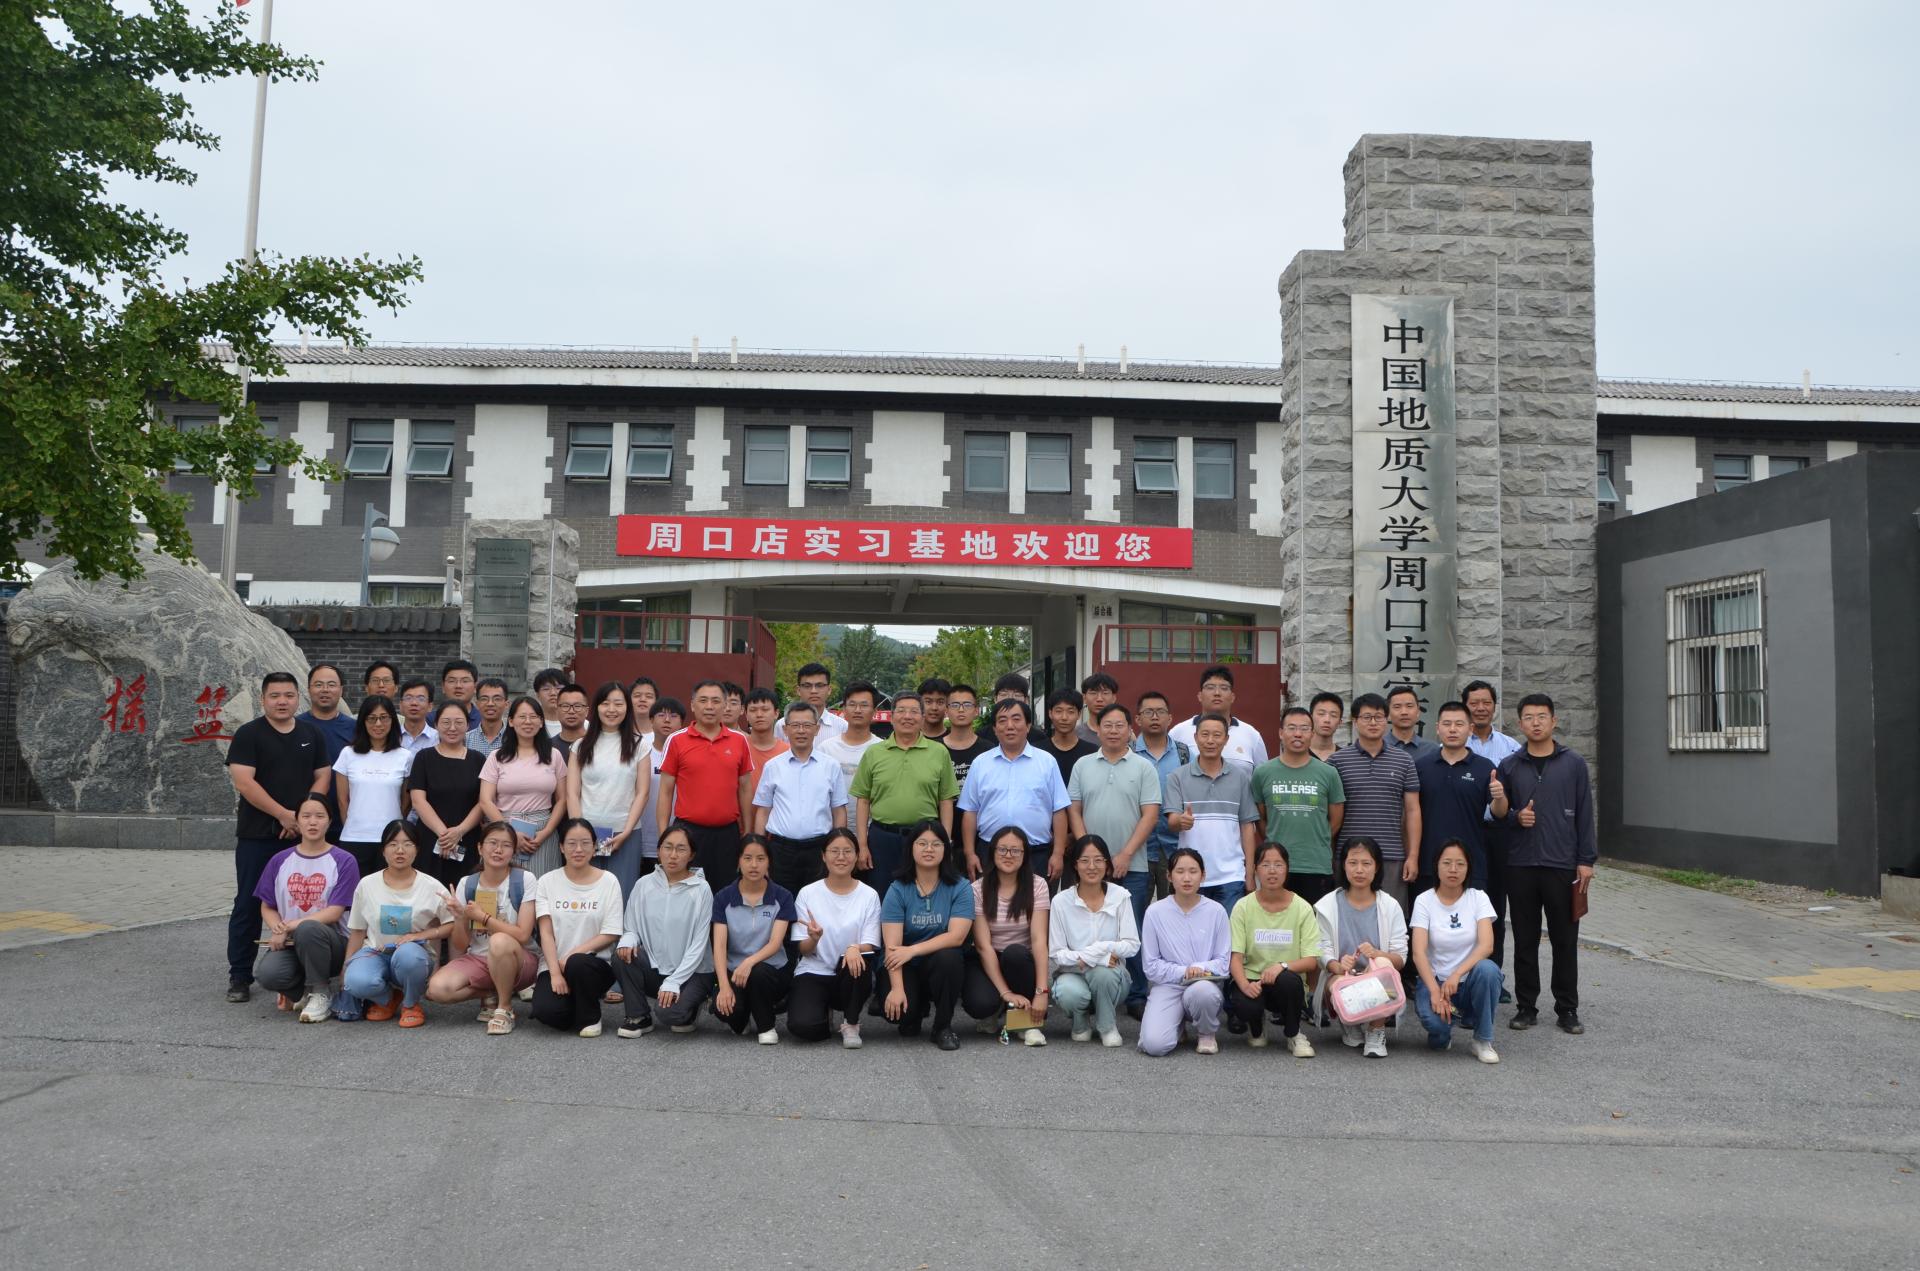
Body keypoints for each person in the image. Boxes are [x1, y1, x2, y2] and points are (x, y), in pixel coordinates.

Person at [223, 671, 330, 1002]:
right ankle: (240, 975)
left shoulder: (311, 733)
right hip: (258, 836)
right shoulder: (249, 734)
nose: (282, 701)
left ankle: (303, 970)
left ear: (298, 698)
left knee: (306, 900)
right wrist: (283, 814)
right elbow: (244, 782)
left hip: (302, 837)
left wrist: (302, 816)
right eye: (275, 695)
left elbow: (323, 775)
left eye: (288, 695)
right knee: (249, 902)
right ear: (263, 699)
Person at [1496, 693, 1595, 1035]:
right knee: (1524, 939)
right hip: (1521, 864)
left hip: (1562, 864)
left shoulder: (1574, 763)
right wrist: (1515, 816)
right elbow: (1500, 815)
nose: (1535, 723)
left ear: (1554, 721)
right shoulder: (1510, 765)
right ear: (1519, 723)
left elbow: (1585, 814)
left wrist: (1586, 860)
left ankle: (1567, 1008)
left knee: (1564, 940)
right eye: (1528, 717)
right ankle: (1526, 1006)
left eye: (1542, 716)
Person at [1067, 704, 1159, 1005]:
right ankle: (1092, 991)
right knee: (1090, 928)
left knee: (1132, 929)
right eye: (1107, 725)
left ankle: (1137, 996)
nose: (1113, 731)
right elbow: (1074, 810)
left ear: (1130, 730)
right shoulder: (1082, 765)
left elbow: (1150, 814)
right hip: (1090, 867)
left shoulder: (1144, 767)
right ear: (1098, 730)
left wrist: (1125, 854)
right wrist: (1088, 855)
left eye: (1120, 725)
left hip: (1133, 864)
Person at [424, 821, 539, 1035]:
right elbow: (460, 945)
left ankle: (504, 1008)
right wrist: (460, 918)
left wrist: (483, 918)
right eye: (492, 843)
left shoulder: (524, 879)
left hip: (519, 958)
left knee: (499, 941)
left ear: (514, 851)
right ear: (479, 848)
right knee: (436, 990)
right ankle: (489, 992)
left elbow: (523, 935)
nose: (498, 850)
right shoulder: (467, 883)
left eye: (506, 845)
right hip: (479, 958)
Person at [252, 795, 358, 1023]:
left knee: (309, 928)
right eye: (306, 816)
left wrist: (289, 926)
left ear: (329, 822)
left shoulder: (344, 860)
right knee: (268, 975)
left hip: (333, 943)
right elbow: (267, 906)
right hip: (291, 942)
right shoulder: (279, 860)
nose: (312, 822)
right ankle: (302, 992)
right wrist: (277, 928)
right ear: (297, 821)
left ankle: (320, 992)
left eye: (320, 816)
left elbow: (335, 912)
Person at [342, 820, 454, 1028]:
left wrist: (421, 936)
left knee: (409, 955)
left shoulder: (431, 886)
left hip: (414, 955)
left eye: (407, 844)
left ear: (417, 850)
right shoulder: (367, 884)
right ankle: (389, 998)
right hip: (376, 952)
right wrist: (345, 971)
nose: (400, 850)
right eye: (393, 844)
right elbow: (358, 931)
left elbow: (451, 924)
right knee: (355, 981)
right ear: (383, 850)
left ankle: (411, 1004)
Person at [614, 821, 717, 1037]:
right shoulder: (644, 884)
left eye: (681, 849)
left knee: (671, 1015)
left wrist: (675, 980)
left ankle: (691, 1006)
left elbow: (699, 944)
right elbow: (631, 927)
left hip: (694, 973)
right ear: (659, 850)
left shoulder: (701, 889)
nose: (673, 855)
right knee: (622, 954)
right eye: (667, 847)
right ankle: (638, 1016)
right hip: (656, 967)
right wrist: (628, 939)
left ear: (691, 855)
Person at [851, 692, 958, 898]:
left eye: (914, 711)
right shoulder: (874, 752)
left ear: (923, 717)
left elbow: (946, 801)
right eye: (901, 711)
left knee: (922, 896)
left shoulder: (939, 752)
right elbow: (863, 800)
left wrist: (944, 842)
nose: (907, 716)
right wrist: (862, 845)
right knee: (882, 895)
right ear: (891, 717)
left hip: (924, 838)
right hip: (882, 839)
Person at [880, 820, 974, 1050]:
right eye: (922, 843)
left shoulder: (960, 887)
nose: (929, 849)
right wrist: (897, 989)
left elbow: (956, 937)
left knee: (949, 957)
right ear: (911, 848)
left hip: (937, 962)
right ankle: (916, 1007)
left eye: (936, 844)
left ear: (946, 850)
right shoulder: (897, 888)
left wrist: (912, 950)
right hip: (905, 965)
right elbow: (892, 947)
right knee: (902, 1016)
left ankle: (942, 1027)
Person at [1316, 836, 1409, 1058]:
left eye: (1366, 863)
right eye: (1353, 863)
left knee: (1384, 963)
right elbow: (1321, 950)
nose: (1359, 870)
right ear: (1343, 866)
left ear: (1377, 867)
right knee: (1338, 980)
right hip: (1343, 978)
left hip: (1375, 977)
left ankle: (1376, 1030)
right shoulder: (1327, 905)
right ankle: (1351, 1023)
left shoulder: (1390, 905)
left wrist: (1377, 954)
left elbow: (1401, 957)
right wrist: (1338, 966)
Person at [788, 829, 882, 1048]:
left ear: (857, 855)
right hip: (814, 970)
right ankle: (823, 1013)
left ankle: (851, 1023)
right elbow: (803, 949)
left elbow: (871, 943)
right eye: (834, 851)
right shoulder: (808, 893)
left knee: (858, 961)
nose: (841, 857)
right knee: (803, 1027)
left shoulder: (869, 895)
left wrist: (854, 947)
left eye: (847, 851)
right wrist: (814, 939)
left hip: (850, 971)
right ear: (823, 856)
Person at [957, 699, 1070, 881]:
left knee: (1036, 899)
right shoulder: (980, 763)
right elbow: (970, 811)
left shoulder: (1047, 762)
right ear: (994, 729)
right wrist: (970, 853)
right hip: (990, 851)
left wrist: (1058, 853)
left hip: (1036, 853)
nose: (1010, 726)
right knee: (988, 899)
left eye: (1016, 719)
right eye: (1002, 720)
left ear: (1028, 726)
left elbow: (1059, 810)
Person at [1410, 840, 1502, 1063]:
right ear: (1436, 866)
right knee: (1436, 1031)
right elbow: (1418, 953)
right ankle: (1442, 1033)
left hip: (1468, 981)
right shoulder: (1424, 900)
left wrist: (1457, 974)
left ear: (1468, 868)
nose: (1453, 869)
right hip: (1436, 981)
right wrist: (1434, 990)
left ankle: (1482, 1040)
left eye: (1460, 864)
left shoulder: (1478, 898)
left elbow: (1486, 946)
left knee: (1489, 970)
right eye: (1447, 863)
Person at [531, 818, 624, 1037]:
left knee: (578, 963)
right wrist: (555, 973)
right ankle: (576, 1002)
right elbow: (545, 933)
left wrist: (572, 955)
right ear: (561, 847)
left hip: (593, 965)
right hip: (555, 965)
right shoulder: (546, 881)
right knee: (548, 1012)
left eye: (585, 843)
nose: (578, 849)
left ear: (595, 846)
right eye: (571, 843)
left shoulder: (609, 881)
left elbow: (611, 933)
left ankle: (590, 1017)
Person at [1328, 693, 1422, 910]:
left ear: (1386, 720)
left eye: (1378, 717)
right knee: (1347, 917)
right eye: (1366, 717)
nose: (1373, 723)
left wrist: (1413, 856)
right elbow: (1329, 813)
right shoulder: (1337, 762)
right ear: (1355, 721)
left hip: (1391, 856)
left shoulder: (1404, 760)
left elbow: (1413, 810)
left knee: (1391, 917)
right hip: (1349, 856)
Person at [1227, 843, 1322, 1055]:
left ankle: (1294, 1034)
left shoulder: (1302, 908)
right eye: (1265, 865)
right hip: (1253, 978)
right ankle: (1257, 1026)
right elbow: (1235, 957)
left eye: (1278, 865)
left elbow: (1311, 961)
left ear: (1287, 869)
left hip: (1286, 979)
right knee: (1245, 1005)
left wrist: (1282, 966)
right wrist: (1244, 985)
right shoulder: (1243, 906)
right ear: (1255, 869)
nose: (1272, 871)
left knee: (1289, 982)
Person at [961, 826, 1052, 1045]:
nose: (1008, 855)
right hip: (989, 958)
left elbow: (1039, 941)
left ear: (1025, 855)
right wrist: (1005, 993)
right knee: (980, 1004)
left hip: (1021, 960)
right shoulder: (977, 889)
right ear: (992, 852)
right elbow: (983, 946)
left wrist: (1041, 991)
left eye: (1015, 850)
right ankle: (1000, 1006)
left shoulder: (1038, 885)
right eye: (1002, 849)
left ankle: (1025, 1022)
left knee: (1015, 954)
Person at [657, 679, 753, 884]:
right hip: (688, 832)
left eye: (716, 701)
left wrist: (748, 831)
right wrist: (664, 836)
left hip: (727, 833)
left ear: (725, 705)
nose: (709, 706)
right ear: (693, 705)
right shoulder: (676, 740)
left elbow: (745, 789)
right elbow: (665, 791)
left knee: (725, 890)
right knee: (685, 889)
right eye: (703, 700)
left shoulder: (739, 740)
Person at [1138, 848, 1231, 1056]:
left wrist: (1199, 968)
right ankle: (1176, 1024)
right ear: (1169, 876)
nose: (1187, 878)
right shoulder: (1155, 912)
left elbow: (1223, 962)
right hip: (1168, 986)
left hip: (1204, 984)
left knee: (1202, 992)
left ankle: (1206, 1032)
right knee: (1154, 1045)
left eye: (1193, 871)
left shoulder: (1216, 911)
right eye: (1180, 872)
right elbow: (1151, 966)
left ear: (1203, 875)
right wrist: (1184, 971)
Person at [1163, 713, 1260, 912]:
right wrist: (1181, 821)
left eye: (1217, 735)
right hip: (1190, 875)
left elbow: (1247, 827)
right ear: (1195, 737)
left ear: (1226, 739)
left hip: (1231, 876)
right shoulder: (1177, 777)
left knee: (1227, 930)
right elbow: (1171, 821)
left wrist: (1249, 874)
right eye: (1205, 734)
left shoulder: (1240, 778)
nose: (1210, 741)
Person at [1049, 834, 1140, 1047]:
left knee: (1103, 973)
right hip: (1073, 973)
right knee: (1069, 992)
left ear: (1107, 864)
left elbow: (1132, 944)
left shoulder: (1120, 896)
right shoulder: (1061, 901)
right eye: (1085, 860)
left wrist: (1101, 948)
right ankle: (1079, 1021)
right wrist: (1098, 957)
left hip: (1112, 976)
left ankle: (1107, 1026)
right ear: (1075, 865)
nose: (1092, 866)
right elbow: (1056, 953)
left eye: (1098, 860)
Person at [1129, 690, 1188, 1015]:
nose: (1154, 717)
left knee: (1175, 922)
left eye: (1160, 711)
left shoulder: (1184, 753)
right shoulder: (1126, 752)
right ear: (1137, 719)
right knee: (1135, 921)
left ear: (1170, 718)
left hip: (1175, 848)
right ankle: (1137, 993)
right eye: (1148, 711)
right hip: (1137, 847)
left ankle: (1175, 990)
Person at [1249, 706, 1346, 904]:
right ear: (1281, 733)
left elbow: (1336, 819)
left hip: (1316, 864)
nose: (1298, 734)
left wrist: (1317, 838)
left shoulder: (1328, 773)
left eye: (1304, 728)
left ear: (1312, 733)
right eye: (1291, 728)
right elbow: (1261, 818)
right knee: (1277, 919)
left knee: (1314, 920)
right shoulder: (1263, 772)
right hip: (1276, 865)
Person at [752, 702, 850, 895]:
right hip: (780, 849)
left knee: (817, 903)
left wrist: (837, 848)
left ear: (817, 729)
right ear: (785, 729)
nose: (801, 731)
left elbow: (839, 811)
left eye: (807, 725)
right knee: (782, 902)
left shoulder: (830, 766)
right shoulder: (773, 766)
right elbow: (763, 811)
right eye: (795, 725)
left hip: (819, 849)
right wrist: (760, 851)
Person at [1462, 679, 1521, 994]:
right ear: (1465, 706)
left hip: (1499, 833)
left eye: (1486, 702)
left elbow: (1521, 791)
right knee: (1459, 903)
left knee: (1494, 905)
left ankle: (1492, 977)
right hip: (1465, 831)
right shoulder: (1455, 743)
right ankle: (1459, 975)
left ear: (1494, 706)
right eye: (1474, 702)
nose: (1480, 708)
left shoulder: (1511, 748)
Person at [567, 681, 651, 900]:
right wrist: (579, 832)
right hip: (587, 835)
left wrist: (626, 831)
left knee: (621, 896)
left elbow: (642, 793)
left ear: (627, 708)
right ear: (596, 707)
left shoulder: (639, 745)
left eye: (618, 704)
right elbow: (572, 793)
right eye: (605, 703)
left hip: (626, 833)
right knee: (587, 897)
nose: (611, 709)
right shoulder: (580, 746)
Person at [709, 834, 796, 1043]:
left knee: (758, 973)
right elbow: (719, 946)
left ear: (769, 862)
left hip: (771, 970)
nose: (754, 865)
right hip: (735, 971)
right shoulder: (723, 898)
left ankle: (767, 1027)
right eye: (747, 858)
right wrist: (724, 986)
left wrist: (749, 962)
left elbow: (775, 943)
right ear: (738, 861)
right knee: (726, 1011)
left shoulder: (782, 896)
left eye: (760, 858)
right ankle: (744, 1015)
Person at [1414, 702, 1506, 898]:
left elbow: (1499, 812)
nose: (1453, 729)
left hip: (1471, 864)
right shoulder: (1421, 766)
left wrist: (1499, 797)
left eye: (1459, 724)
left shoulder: (1484, 767)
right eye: (1447, 724)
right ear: (1437, 728)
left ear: (1470, 729)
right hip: (1428, 863)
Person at [478, 696, 568, 875]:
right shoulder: (497, 757)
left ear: (541, 722)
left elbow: (562, 799)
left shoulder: (554, 755)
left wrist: (546, 831)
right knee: (501, 883)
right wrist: (510, 833)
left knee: (541, 884)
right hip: (504, 829)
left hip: (542, 831)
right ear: (511, 721)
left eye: (534, 717)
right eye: (522, 716)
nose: (528, 721)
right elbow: (485, 800)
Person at [408, 700, 489, 889]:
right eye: (446, 722)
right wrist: (444, 836)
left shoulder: (478, 759)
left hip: (467, 838)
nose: (452, 728)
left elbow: (483, 802)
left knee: (464, 892)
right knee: (429, 893)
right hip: (430, 837)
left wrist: (459, 831)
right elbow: (418, 801)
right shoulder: (424, 757)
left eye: (459, 722)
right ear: (436, 725)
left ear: (468, 726)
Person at [331, 694, 414, 879]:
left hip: (392, 839)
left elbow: (406, 801)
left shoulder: (405, 756)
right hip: (354, 837)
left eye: (384, 718)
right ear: (363, 721)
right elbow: (342, 800)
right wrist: (353, 825)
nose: (378, 724)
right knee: (355, 891)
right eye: (372, 718)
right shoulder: (348, 754)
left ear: (393, 721)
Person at [1168, 665, 1269, 770]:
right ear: (1200, 696)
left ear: (1232, 697)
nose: (1217, 693)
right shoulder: (1178, 733)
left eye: (1224, 688)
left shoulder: (1251, 735)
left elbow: (1263, 776)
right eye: (1210, 688)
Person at [636, 698, 684, 873]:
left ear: (682, 723)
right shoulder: (640, 752)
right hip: (641, 836)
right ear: (651, 720)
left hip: (678, 837)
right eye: (661, 715)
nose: (667, 720)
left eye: (673, 716)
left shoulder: (687, 755)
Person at [817, 680, 883, 787]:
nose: (858, 710)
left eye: (864, 705)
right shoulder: (826, 749)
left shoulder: (882, 750)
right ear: (844, 709)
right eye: (852, 704)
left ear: (874, 711)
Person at [938, 684, 995, 791]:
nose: (961, 709)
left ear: (976, 711)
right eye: (955, 705)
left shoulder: (989, 750)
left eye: (967, 704)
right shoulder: (935, 749)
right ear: (946, 711)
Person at [297, 662, 356, 763]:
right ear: (309, 690)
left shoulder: (355, 728)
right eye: (318, 685)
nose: (325, 690)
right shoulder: (295, 726)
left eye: (331, 685)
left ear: (341, 690)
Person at [1039, 687, 1098, 787]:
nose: (1064, 717)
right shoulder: (1038, 751)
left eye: (1070, 712)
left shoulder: (1092, 752)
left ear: (1079, 714)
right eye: (1059, 711)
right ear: (1050, 713)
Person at [776, 661, 847, 741]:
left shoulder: (842, 727)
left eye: (819, 685)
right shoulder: (782, 725)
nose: (813, 691)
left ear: (829, 690)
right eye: (807, 686)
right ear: (798, 690)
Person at [742, 687, 788, 795]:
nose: (759, 714)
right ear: (746, 715)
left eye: (765, 709)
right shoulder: (738, 747)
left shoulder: (788, 752)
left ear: (776, 713)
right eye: (753, 710)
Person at [1386, 685, 1439, 761]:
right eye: (1397, 707)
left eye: (1409, 706)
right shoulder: (1376, 748)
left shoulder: (1433, 750)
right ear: (1388, 713)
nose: (1404, 712)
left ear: (1418, 711)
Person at [463, 677, 509, 756]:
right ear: (477, 704)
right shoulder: (465, 740)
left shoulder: (515, 739)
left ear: (506, 704)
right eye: (484, 699)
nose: (490, 704)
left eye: (497, 699)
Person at [394, 679, 439, 755]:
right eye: (408, 698)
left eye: (421, 699)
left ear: (430, 706)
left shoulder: (438, 738)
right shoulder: (392, 737)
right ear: (400, 705)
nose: (414, 703)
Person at [1077, 672, 1120, 745]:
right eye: (1093, 693)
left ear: (1114, 698)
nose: (1099, 699)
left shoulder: (1125, 734)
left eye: (1105, 693)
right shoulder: (1075, 734)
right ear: (1084, 698)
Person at [439, 659, 480, 730]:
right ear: (443, 687)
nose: (458, 686)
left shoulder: (484, 720)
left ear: (475, 687)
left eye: (465, 681)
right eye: (452, 681)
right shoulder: (429, 720)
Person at [553, 682, 591, 757]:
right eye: (565, 706)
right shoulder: (547, 747)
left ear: (587, 711)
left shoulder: (597, 744)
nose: (571, 711)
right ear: (557, 711)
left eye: (577, 706)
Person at [1308, 691, 1344, 762]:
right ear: (1310, 718)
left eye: (1333, 715)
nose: (1327, 720)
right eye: (1321, 714)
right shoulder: (1298, 755)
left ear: (1340, 722)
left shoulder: (1345, 757)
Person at [532, 667, 567, 735]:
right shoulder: (530, 724)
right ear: (537, 695)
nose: (553, 693)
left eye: (558, 688)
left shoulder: (581, 725)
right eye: (546, 689)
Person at [917, 677, 951, 742]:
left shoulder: (954, 740)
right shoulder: (909, 736)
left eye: (940, 702)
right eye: (928, 702)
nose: (934, 708)